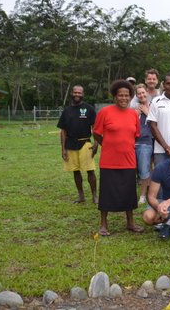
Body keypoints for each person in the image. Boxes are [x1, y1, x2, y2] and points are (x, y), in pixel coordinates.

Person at [93, 80, 144, 236]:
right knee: (106, 193)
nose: (123, 98)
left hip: (128, 161)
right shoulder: (104, 112)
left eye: (126, 95)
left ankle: (130, 222)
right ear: (115, 96)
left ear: (130, 97)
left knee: (129, 192)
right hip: (109, 161)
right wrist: (108, 145)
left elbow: (135, 136)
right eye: (120, 95)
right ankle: (103, 224)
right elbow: (96, 133)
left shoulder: (133, 115)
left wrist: (124, 147)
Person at [57, 85, 98, 204]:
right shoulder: (66, 111)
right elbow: (63, 131)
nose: (77, 94)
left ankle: (95, 196)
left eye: (79, 92)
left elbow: (95, 127)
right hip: (70, 144)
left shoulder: (88, 109)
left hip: (85, 143)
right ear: (71, 93)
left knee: (90, 170)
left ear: (83, 94)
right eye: (75, 92)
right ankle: (81, 196)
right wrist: (63, 149)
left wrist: (96, 143)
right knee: (76, 171)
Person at [134, 84, 153, 205]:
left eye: (143, 92)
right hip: (133, 142)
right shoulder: (135, 109)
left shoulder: (153, 107)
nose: (141, 95)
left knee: (144, 170)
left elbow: (157, 123)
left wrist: (148, 113)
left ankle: (143, 195)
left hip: (145, 143)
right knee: (133, 170)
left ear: (147, 93)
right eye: (139, 93)